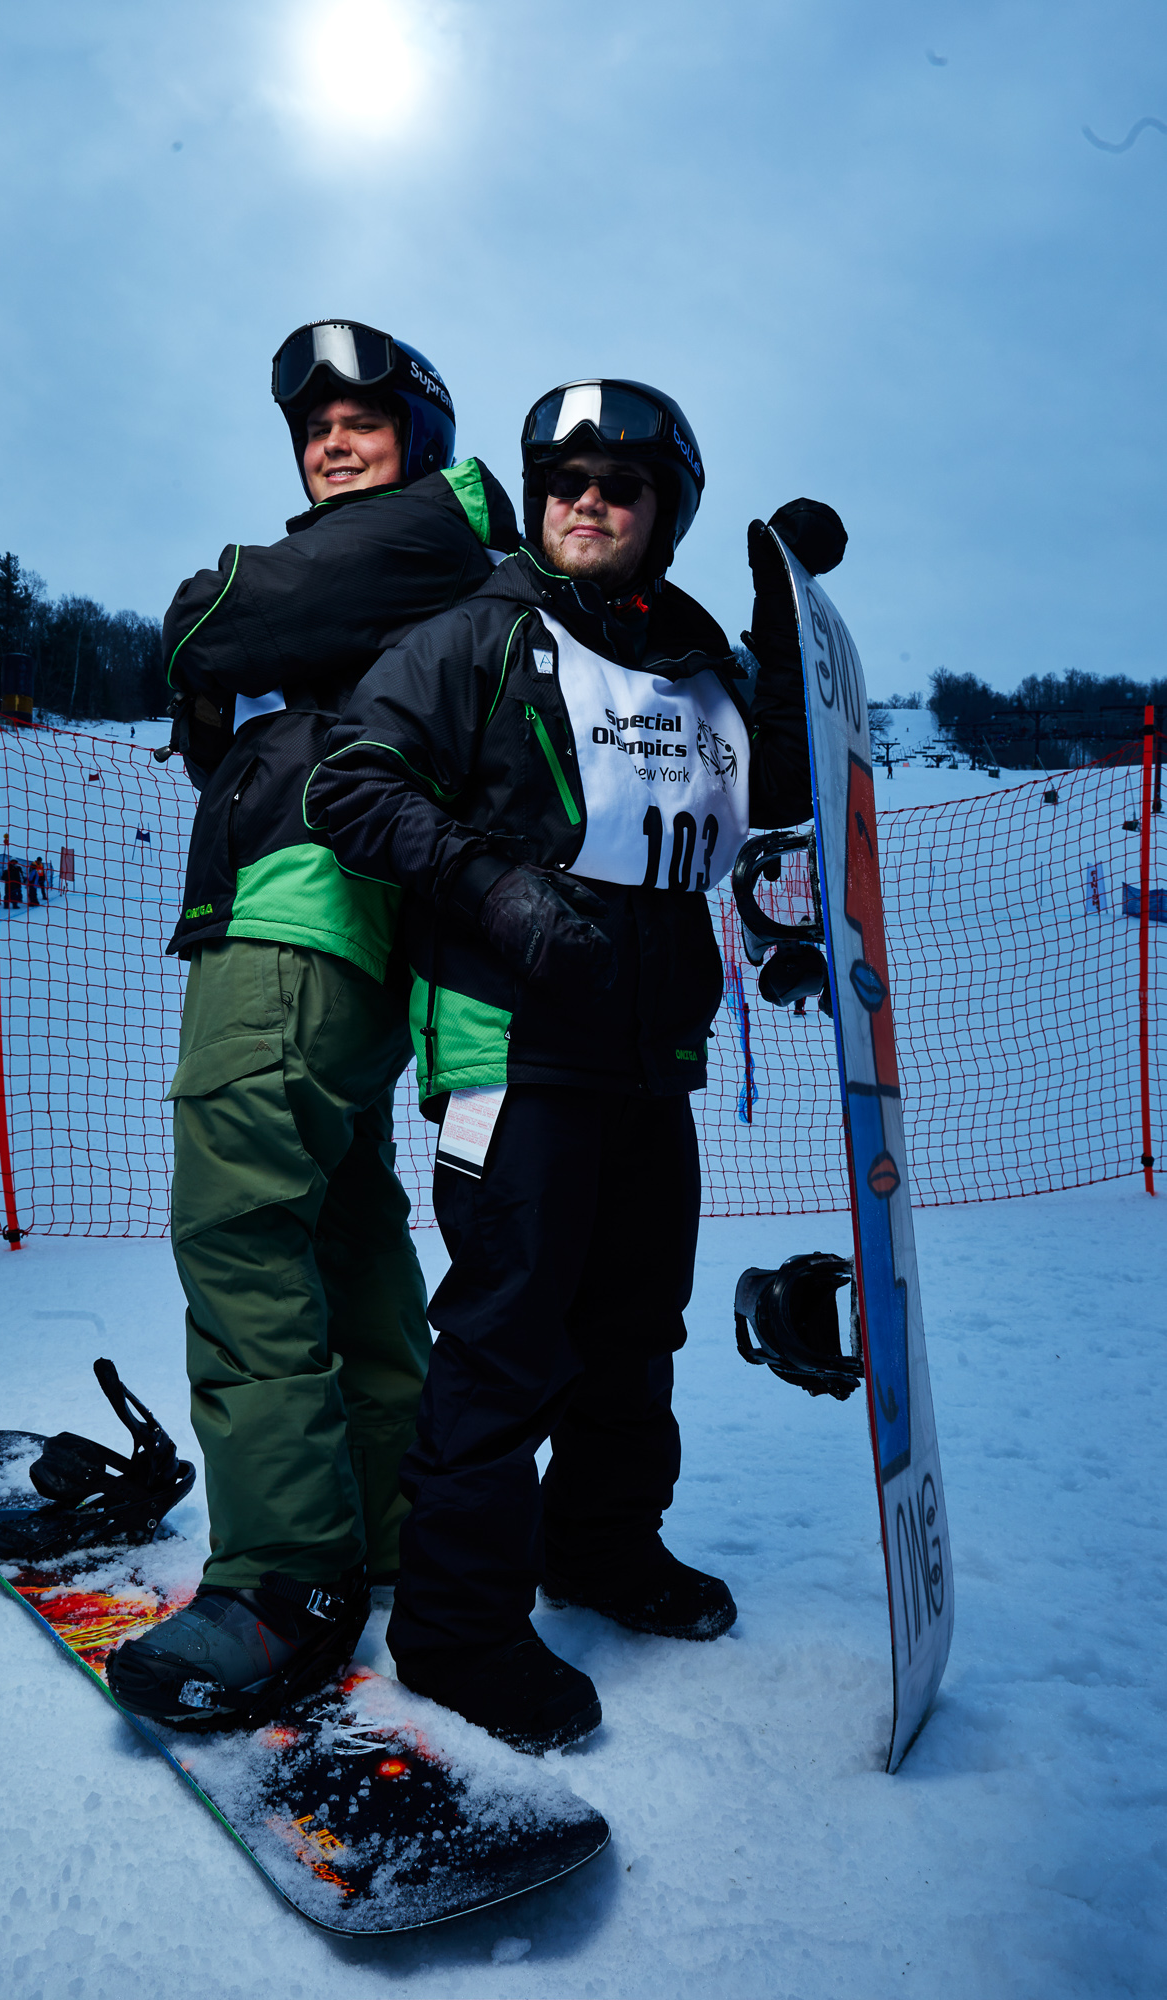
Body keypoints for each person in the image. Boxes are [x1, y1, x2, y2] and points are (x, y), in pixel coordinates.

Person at [307, 376, 844, 1752]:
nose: (589, 502)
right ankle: (454, 1625)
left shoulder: (693, 659)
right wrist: (491, 888)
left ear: (666, 513)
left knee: (633, 1326)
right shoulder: (475, 634)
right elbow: (350, 776)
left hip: (650, 1049)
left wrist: (783, 631)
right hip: (511, 1042)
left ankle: (601, 1543)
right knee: (505, 1341)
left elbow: (781, 795)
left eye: (622, 484)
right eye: (567, 482)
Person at [106, 319, 520, 1734]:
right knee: (341, 1229)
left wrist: (218, 635)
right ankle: (389, 1525)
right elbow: (230, 697)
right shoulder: (411, 567)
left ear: (423, 437)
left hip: (299, 920)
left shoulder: (422, 532)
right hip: (334, 928)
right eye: (311, 426)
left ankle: (285, 1575)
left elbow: (215, 615)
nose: (329, 440)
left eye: (360, 417)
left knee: (238, 1220)